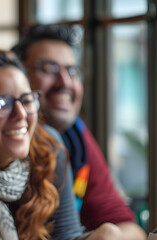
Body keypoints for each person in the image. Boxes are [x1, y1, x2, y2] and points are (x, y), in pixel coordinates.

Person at [12, 24, 146, 239]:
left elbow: (129, 228)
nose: (65, 82)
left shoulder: (77, 137)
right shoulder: (3, 144)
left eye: (72, 71)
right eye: (49, 69)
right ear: (17, 78)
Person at [0, 49, 87, 240]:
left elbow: (67, 237)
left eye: (27, 100)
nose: (21, 114)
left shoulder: (49, 148)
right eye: (2, 103)